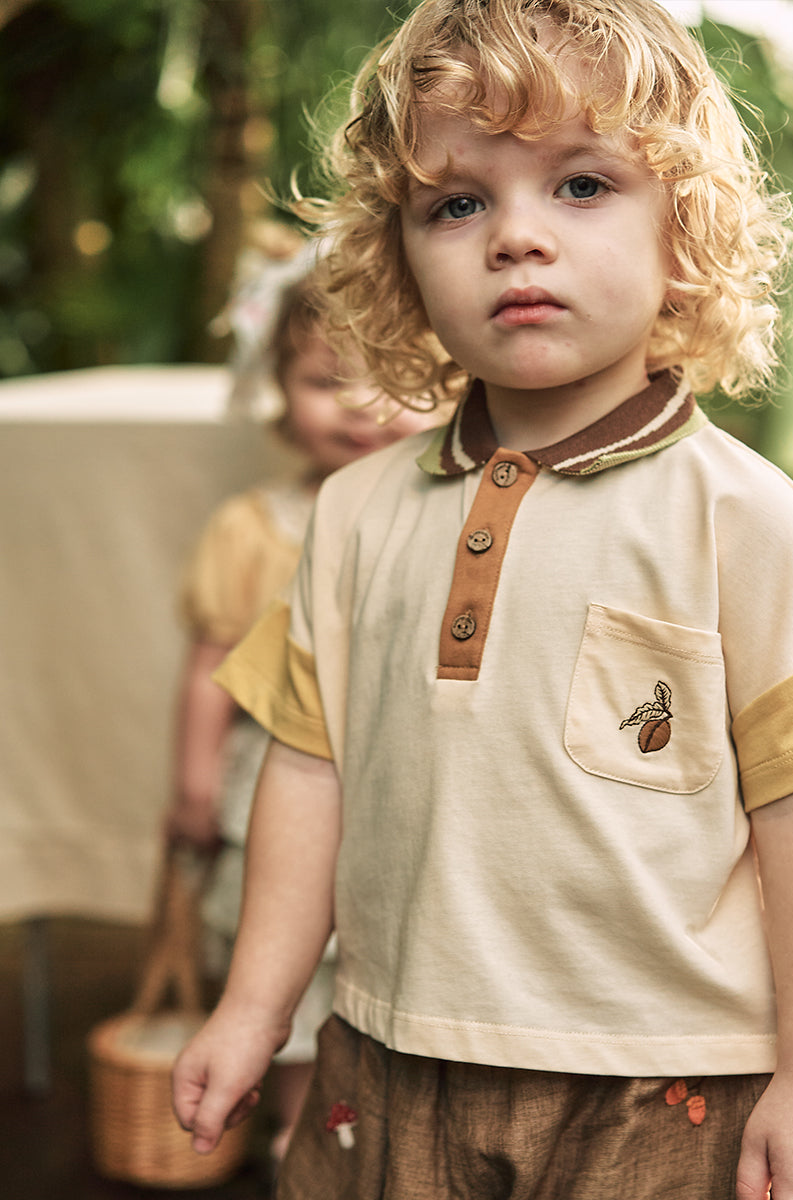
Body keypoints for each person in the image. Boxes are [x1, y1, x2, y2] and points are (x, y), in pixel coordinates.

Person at [172, 2, 793, 1197]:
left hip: (662, 1084)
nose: (516, 236)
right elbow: (308, 772)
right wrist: (257, 1008)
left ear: (683, 229)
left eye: (582, 185)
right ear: (398, 258)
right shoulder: (353, 513)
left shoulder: (744, 519)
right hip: (387, 1057)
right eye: (457, 204)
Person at [165, 252, 437, 1164]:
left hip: (405, 787)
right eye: (325, 381)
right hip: (274, 785)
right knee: (290, 962)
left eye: (387, 376)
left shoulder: (449, 517)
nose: (359, 406)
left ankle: (391, 1131)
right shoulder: (254, 527)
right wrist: (194, 787)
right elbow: (209, 666)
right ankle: (296, 1131)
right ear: (278, 391)